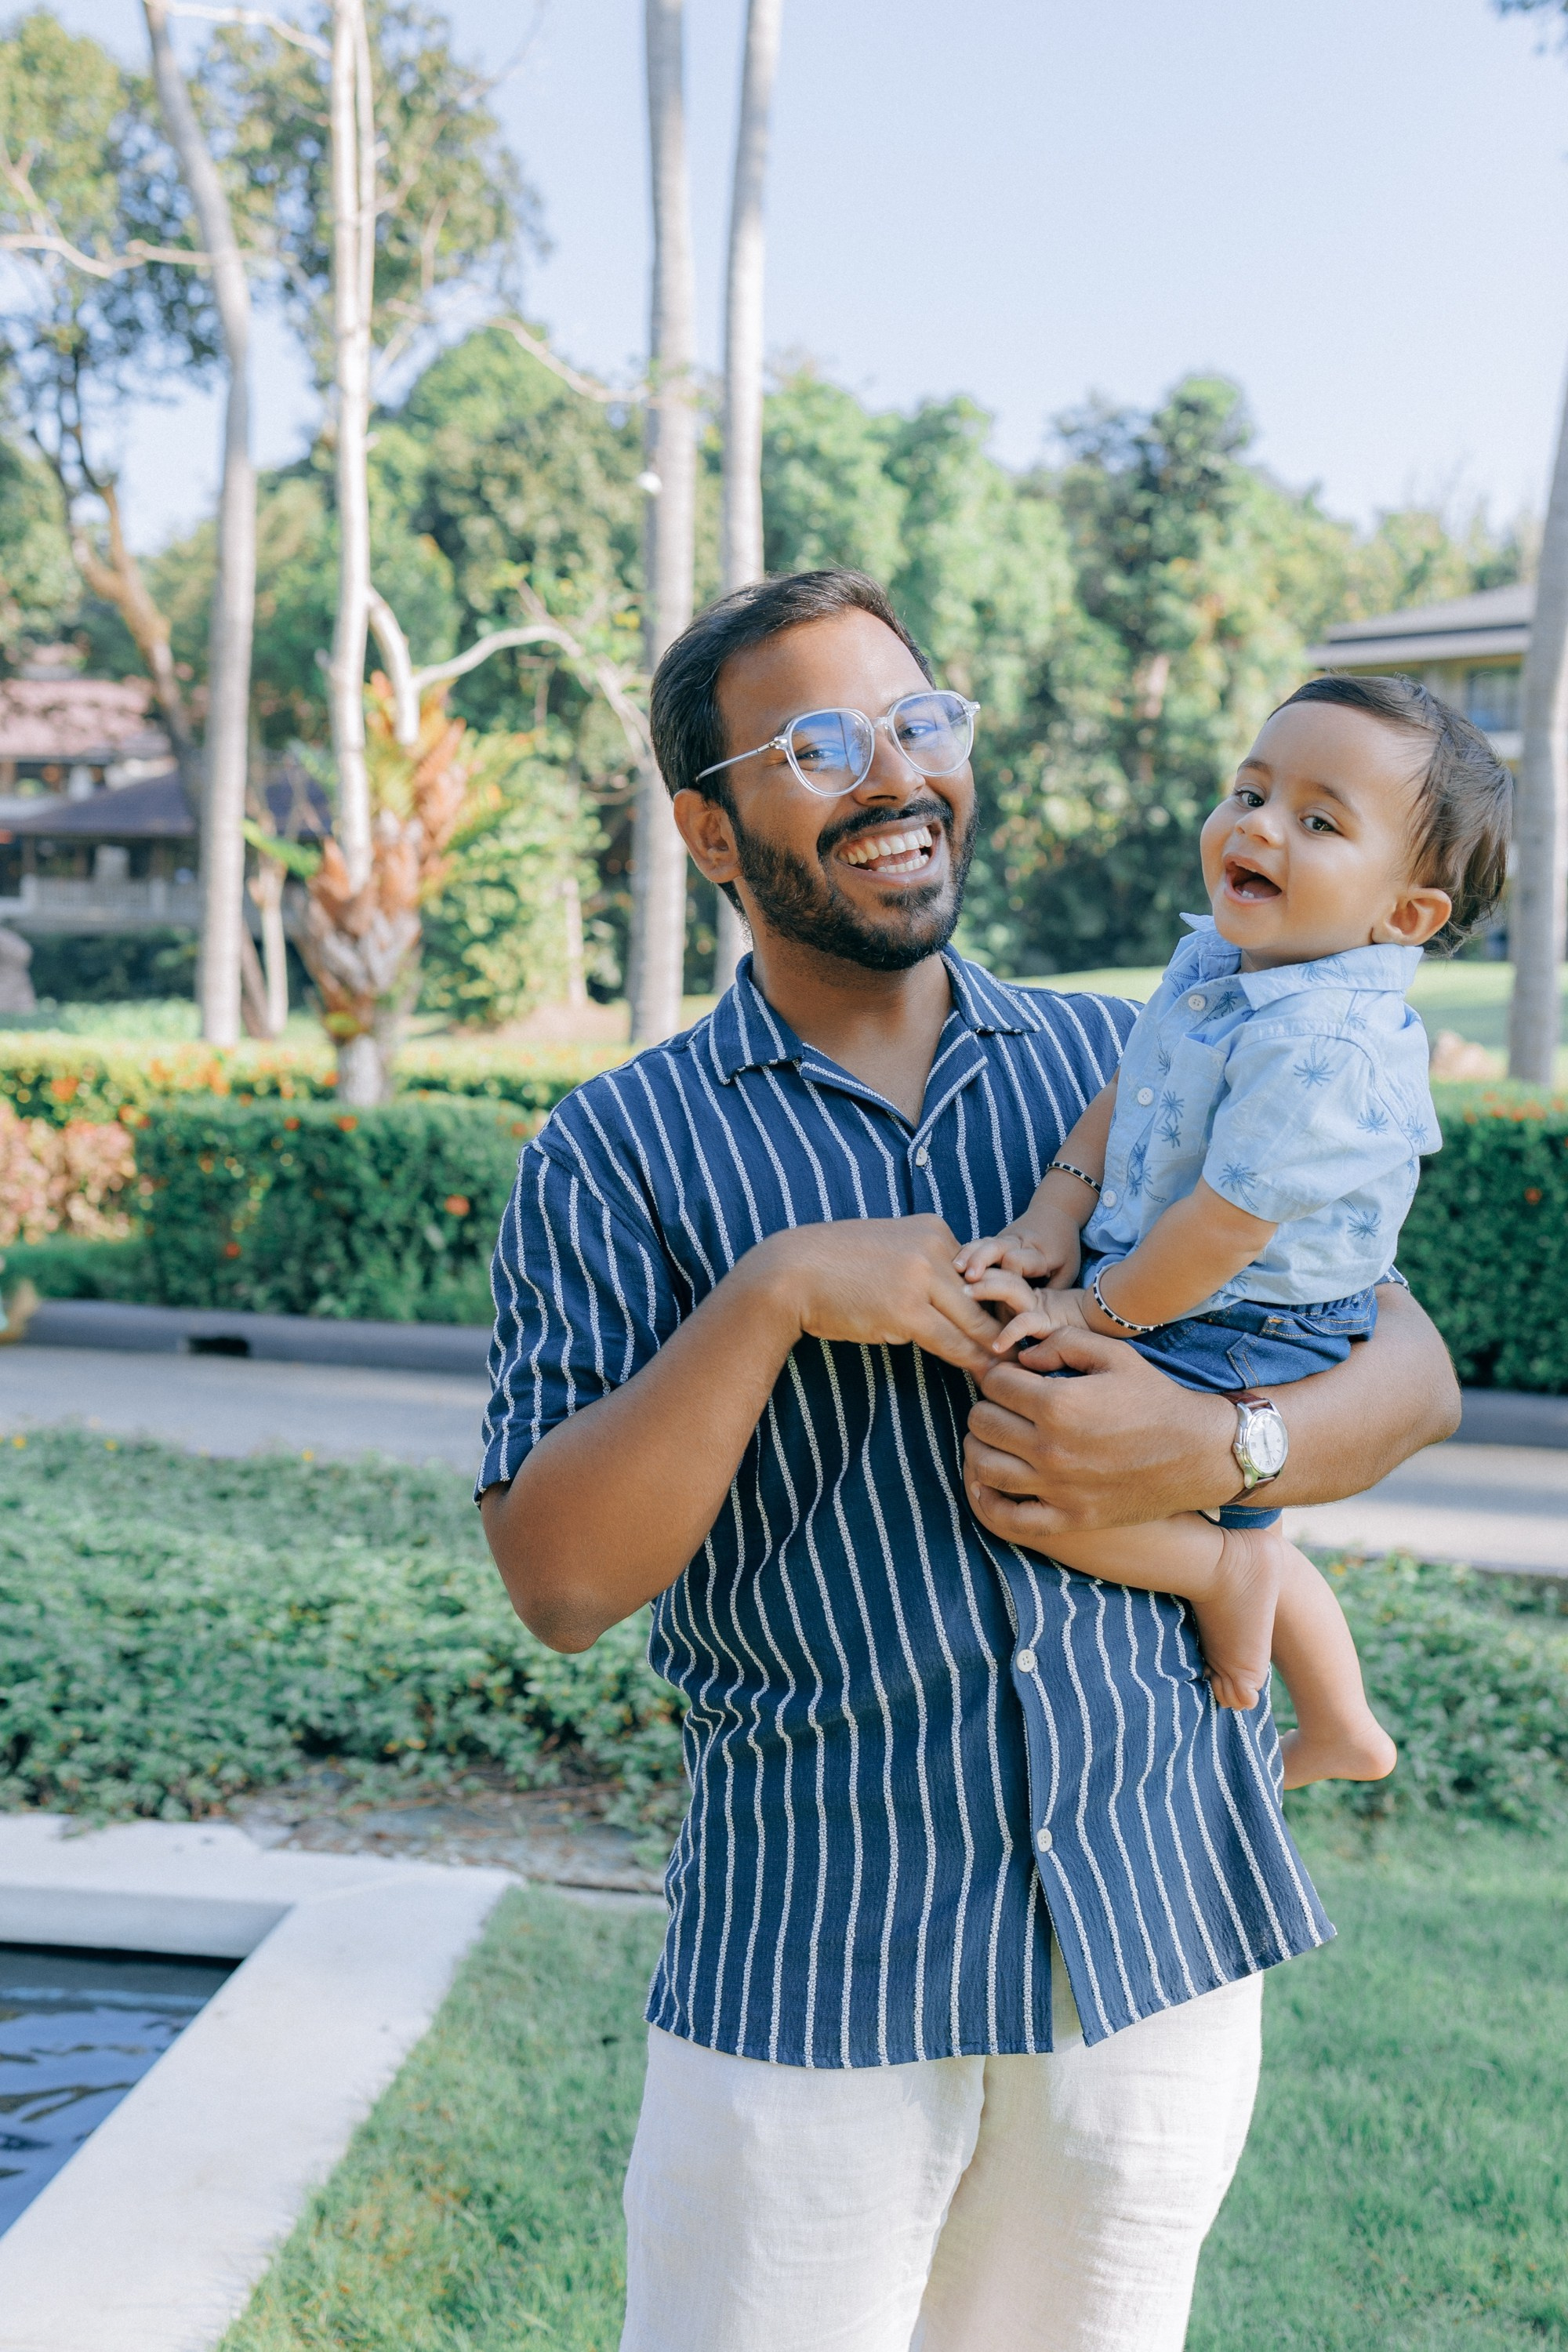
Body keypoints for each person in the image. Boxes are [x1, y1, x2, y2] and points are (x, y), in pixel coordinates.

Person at [477, 568, 1460, 2352]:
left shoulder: (1141, 1050)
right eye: (817, 746)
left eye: (917, 722)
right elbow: (560, 1582)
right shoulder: (611, 1152)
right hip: (817, 1963)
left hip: (1152, 1947)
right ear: (709, 832)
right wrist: (774, 1296)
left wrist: (1214, 1442)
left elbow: (1410, 1377)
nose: (894, 774)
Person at [955, 674, 1509, 1787]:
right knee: (1152, 1481)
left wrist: (1088, 1311)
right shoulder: (1223, 963)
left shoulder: (1326, 1045)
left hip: (1250, 1314)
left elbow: (1219, 1230)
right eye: (1251, 792)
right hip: (1187, 1282)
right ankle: (1339, 1722)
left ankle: (1220, 1573)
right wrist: (1055, 1212)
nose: (1258, 826)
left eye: (1319, 822)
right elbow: (1136, 1089)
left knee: (1023, 1481)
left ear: (1405, 916)